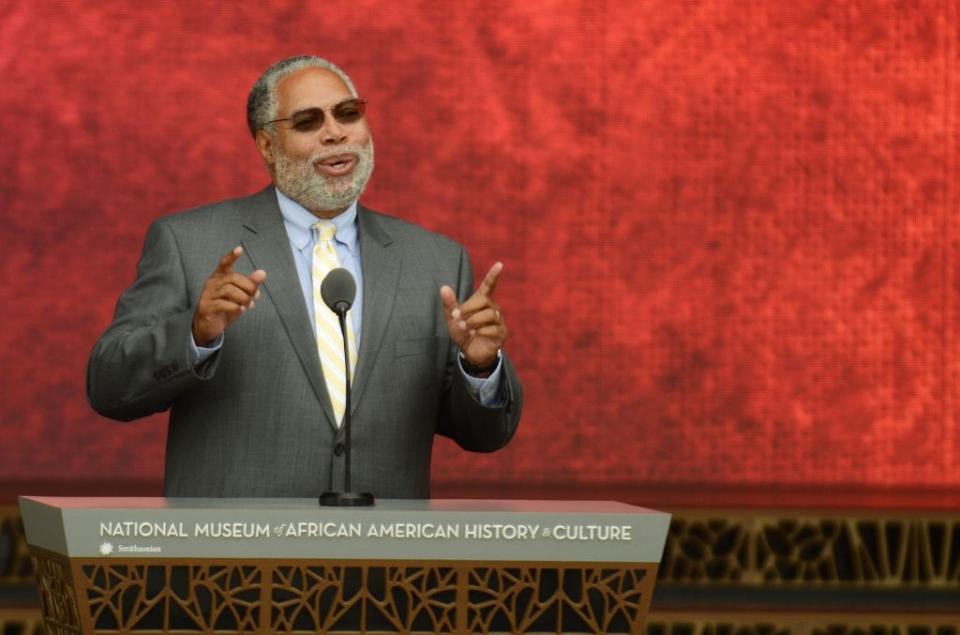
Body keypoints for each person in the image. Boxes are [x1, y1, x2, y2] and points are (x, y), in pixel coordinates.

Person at [86, 55, 523, 498]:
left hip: (380, 561)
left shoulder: (436, 262)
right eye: (308, 122)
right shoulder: (189, 243)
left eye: (348, 113)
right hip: (233, 559)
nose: (335, 132)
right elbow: (109, 389)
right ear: (267, 146)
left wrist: (481, 367)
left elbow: (486, 436)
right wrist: (196, 334)